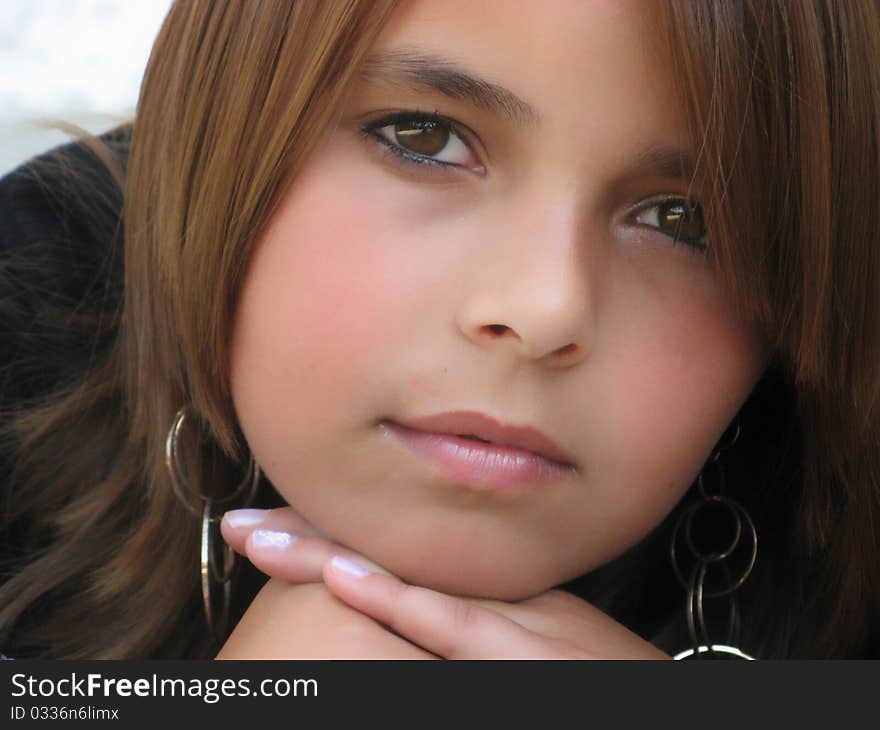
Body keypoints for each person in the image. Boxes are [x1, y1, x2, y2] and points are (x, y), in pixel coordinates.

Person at [0, 0, 878, 660]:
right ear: (222, 134)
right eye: (424, 137)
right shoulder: (31, 290)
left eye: (689, 220)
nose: (543, 310)